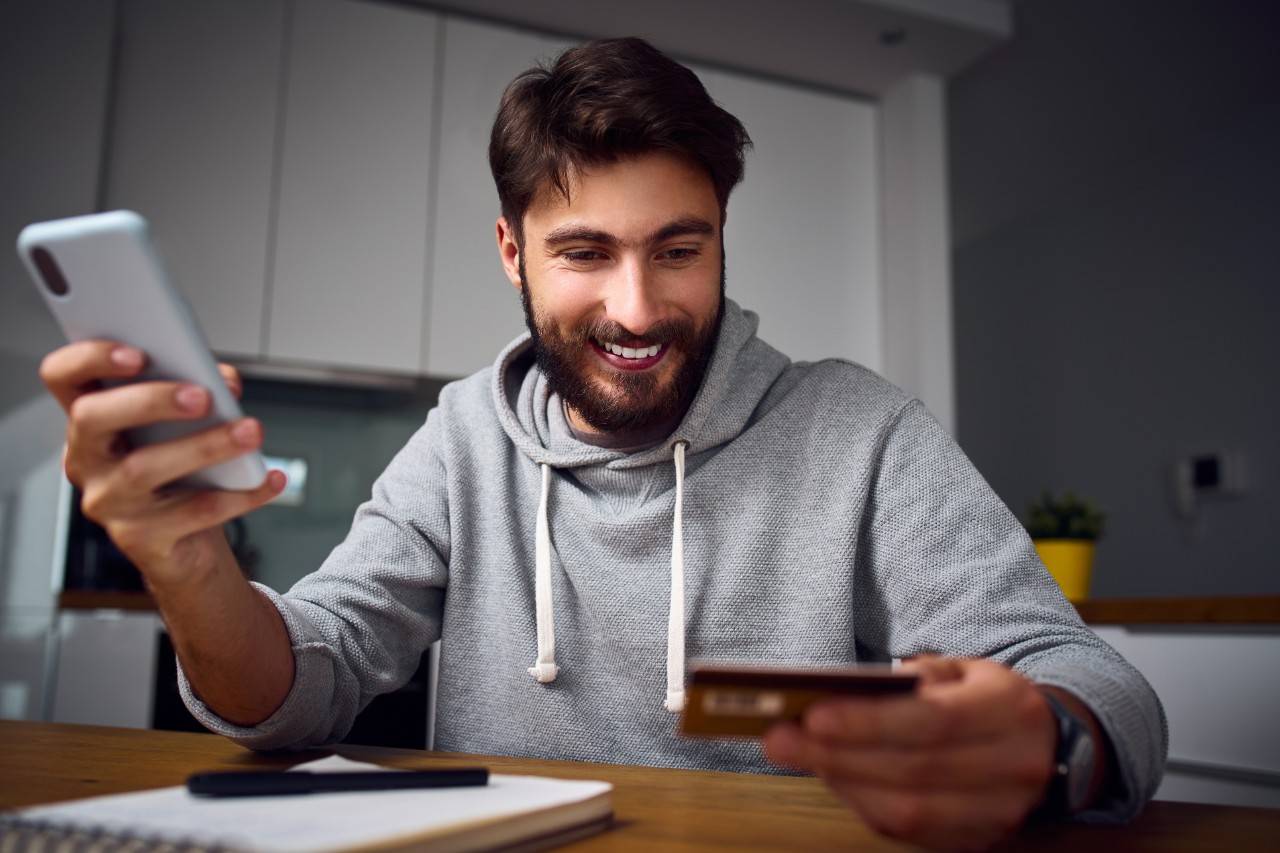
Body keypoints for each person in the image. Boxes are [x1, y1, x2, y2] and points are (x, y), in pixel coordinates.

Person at [39, 37, 1165, 850]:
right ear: (510, 251)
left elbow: (1093, 685)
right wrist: (187, 567)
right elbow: (301, 687)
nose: (636, 309)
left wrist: (1041, 739)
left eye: (678, 250)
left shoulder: (859, 432)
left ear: (722, 238)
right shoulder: (462, 436)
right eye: (583, 252)